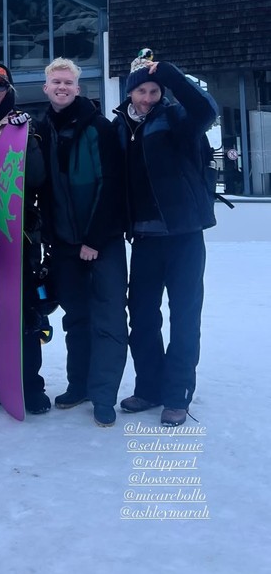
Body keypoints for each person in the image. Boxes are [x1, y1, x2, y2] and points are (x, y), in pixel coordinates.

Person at [113, 49, 217, 427]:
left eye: (154, 91)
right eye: (141, 92)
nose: (147, 98)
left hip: (184, 236)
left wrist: (171, 75)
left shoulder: (176, 118)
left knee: (185, 316)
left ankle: (177, 394)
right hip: (144, 239)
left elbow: (206, 109)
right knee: (141, 317)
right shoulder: (120, 128)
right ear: (130, 93)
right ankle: (150, 387)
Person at [38, 57, 128, 427]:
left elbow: (112, 185)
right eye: (55, 82)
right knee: (76, 318)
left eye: (68, 82)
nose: (61, 87)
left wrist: (94, 238)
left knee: (107, 318)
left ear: (78, 88)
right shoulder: (41, 130)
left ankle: (104, 394)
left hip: (100, 241)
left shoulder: (99, 128)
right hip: (62, 243)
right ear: (46, 88)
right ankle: (79, 385)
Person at [0, 63, 50, 415]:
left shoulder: (24, 128)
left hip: (13, 238)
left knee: (22, 313)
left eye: (0, 86)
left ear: (9, 90)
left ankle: (30, 382)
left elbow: (37, 178)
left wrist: (27, 141)